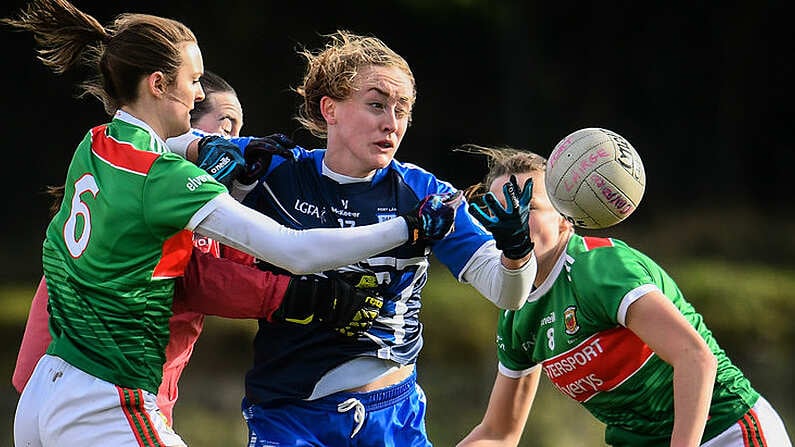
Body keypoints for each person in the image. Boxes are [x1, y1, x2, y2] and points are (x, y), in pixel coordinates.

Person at [4, 3, 459, 446]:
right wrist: (408, 229)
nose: (200, 93)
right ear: (160, 84)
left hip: (45, 390)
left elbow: (159, 155)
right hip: (104, 399)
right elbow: (295, 251)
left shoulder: (96, 144)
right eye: (195, 81)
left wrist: (200, 151)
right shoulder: (166, 180)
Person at [173, 30, 539, 446]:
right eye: (376, 105)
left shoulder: (425, 194)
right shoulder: (275, 175)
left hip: (394, 415)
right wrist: (201, 153)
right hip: (291, 415)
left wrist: (516, 251)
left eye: (402, 110)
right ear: (330, 109)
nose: (391, 123)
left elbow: (508, 294)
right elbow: (157, 155)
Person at [10, 69, 385, 428]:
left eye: (241, 131)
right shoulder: (159, 180)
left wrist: (243, 195)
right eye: (226, 125)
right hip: (98, 391)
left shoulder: (114, 153)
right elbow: (197, 277)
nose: (236, 141)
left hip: (69, 388)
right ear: (183, 117)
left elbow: (238, 261)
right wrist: (304, 296)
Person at [456, 146, 793, 447]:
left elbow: (695, 357)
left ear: (565, 220)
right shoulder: (516, 314)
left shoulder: (599, 269)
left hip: (725, 432)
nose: (513, 221)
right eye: (500, 211)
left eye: (528, 206)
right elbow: (498, 433)